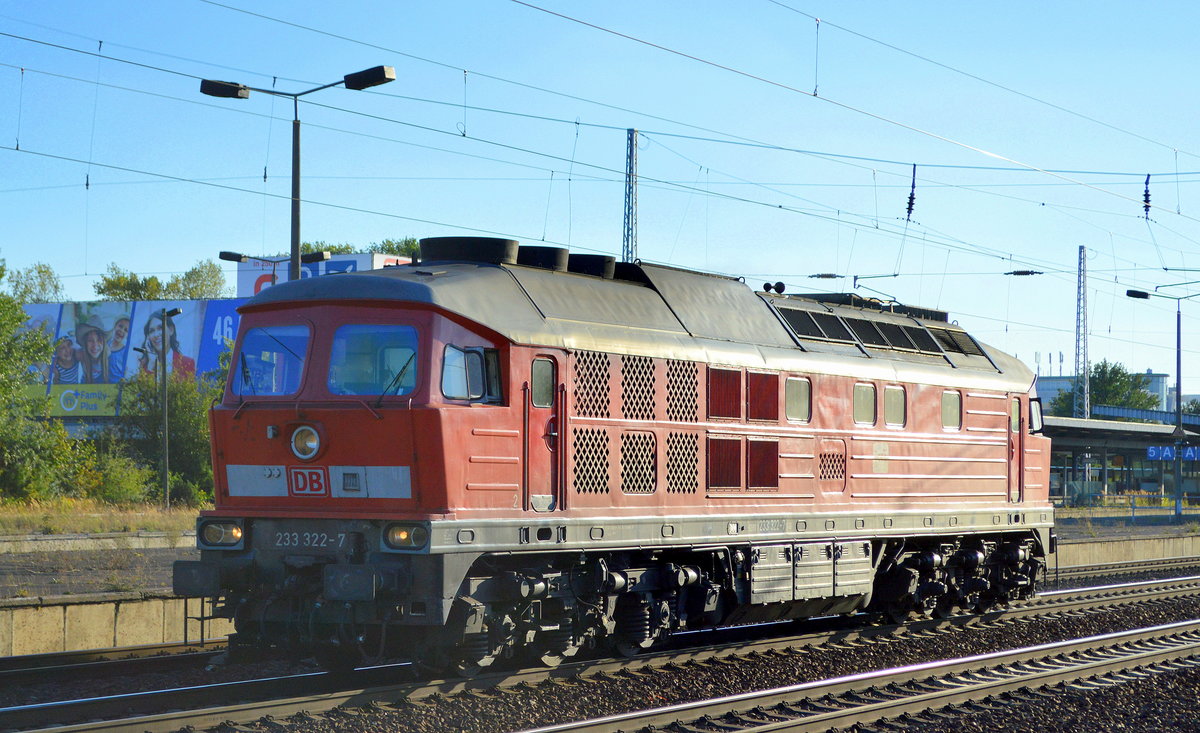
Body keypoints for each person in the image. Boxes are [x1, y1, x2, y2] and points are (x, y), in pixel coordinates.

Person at [138, 311, 195, 379]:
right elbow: (143, 385)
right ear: (148, 337)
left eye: (160, 328)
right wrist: (151, 366)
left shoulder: (187, 363)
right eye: (152, 331)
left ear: (171, 330)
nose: (156, 335)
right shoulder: (145, 366)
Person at [77, 318, 110, 384]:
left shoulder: (108, 354)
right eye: (90, 340)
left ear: (104, 343)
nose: (95, 345)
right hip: (86, 381)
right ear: (85, 343)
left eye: (99, 340)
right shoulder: (80, 354)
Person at [108, 316, 130, 382]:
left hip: (115, 385)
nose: (122, 330)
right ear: (115, 326)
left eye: (126, 330)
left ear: (128, 335)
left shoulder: (125, 352)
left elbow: (126, 372)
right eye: (120, 326)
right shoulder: (105, 344)